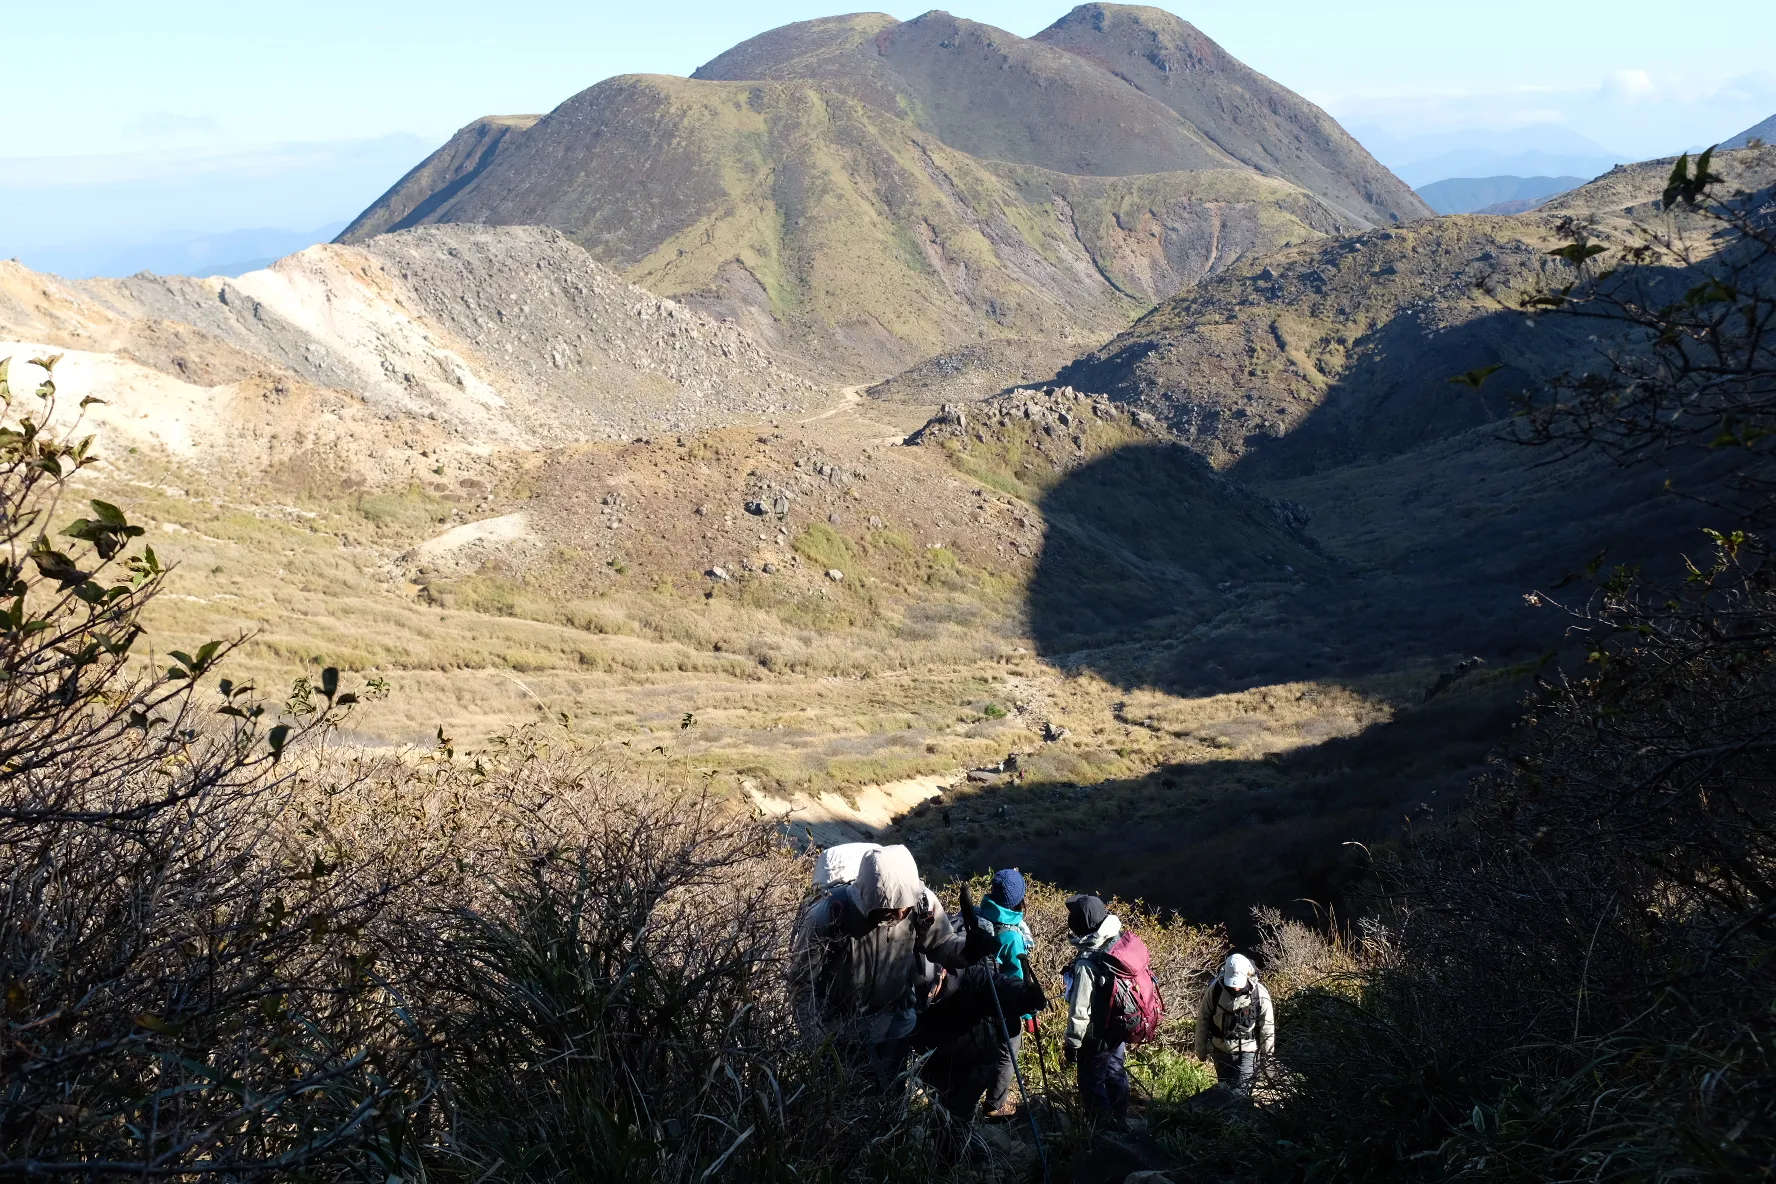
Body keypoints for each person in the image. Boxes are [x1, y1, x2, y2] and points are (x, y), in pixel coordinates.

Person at [795, 844, 992, 1090]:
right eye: (890, 909)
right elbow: (802, 983)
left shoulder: (919, 903)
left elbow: (941, 944)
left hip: (895, 1024)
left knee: (890, 1094)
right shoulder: (828, 916)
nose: (900, 914)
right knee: (846, 1100)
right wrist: (816, 1042)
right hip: (841, 1032)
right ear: (870, 898)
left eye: (904, 907)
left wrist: (968, 950)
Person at [911, 957, 1046, 1124]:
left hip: (973, 1062)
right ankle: (949, 1139)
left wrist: (1024, 994)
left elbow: (996, 985)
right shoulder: (912, 975)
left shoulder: (968, 973)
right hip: (935, 1060)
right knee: (942, 1115)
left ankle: (957, 1141)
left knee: (956, 1118)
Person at [1060, 893, 1130, 1127]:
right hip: (1119, 1026)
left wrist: (1072, 1044)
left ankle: (1101, 1132)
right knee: (1114, 1072)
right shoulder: (1117, 940)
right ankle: (1121, 1122)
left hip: (1098, 1033)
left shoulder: (1088, 961)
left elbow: (1080, 1010)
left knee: (1090, 1081)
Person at [977, 867, 1034, 1118]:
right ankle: (994, 1106)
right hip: (1003, 1003)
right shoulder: (1012, 936)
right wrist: (1029, 1015)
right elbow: (1019, 980)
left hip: (977, 996)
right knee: (1007, 1053)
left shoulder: (978, 915)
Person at [1193, 952, 1275, 1094]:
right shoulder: (1215, 990)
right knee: (1223, 1091)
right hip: (1220, 1048)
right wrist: (1201, 1050)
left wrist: (1267, 1061)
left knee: (1240, 1093)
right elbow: (1203, 1018)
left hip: (1248, 1051)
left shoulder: (1260, 994)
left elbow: (1267, 1028)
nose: (1235, 987)